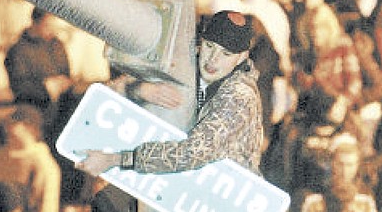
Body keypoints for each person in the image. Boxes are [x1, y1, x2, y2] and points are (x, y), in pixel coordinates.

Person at [76, 10, 263, 178]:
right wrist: (140, 89)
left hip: (225, 204)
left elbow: (193, 153)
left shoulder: (240, 95)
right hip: (185, 189)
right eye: (209, 46)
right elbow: (110, 90)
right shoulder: (188, 65)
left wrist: (115, 160)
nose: (213, 59)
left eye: (226, 54)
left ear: (242, 57)